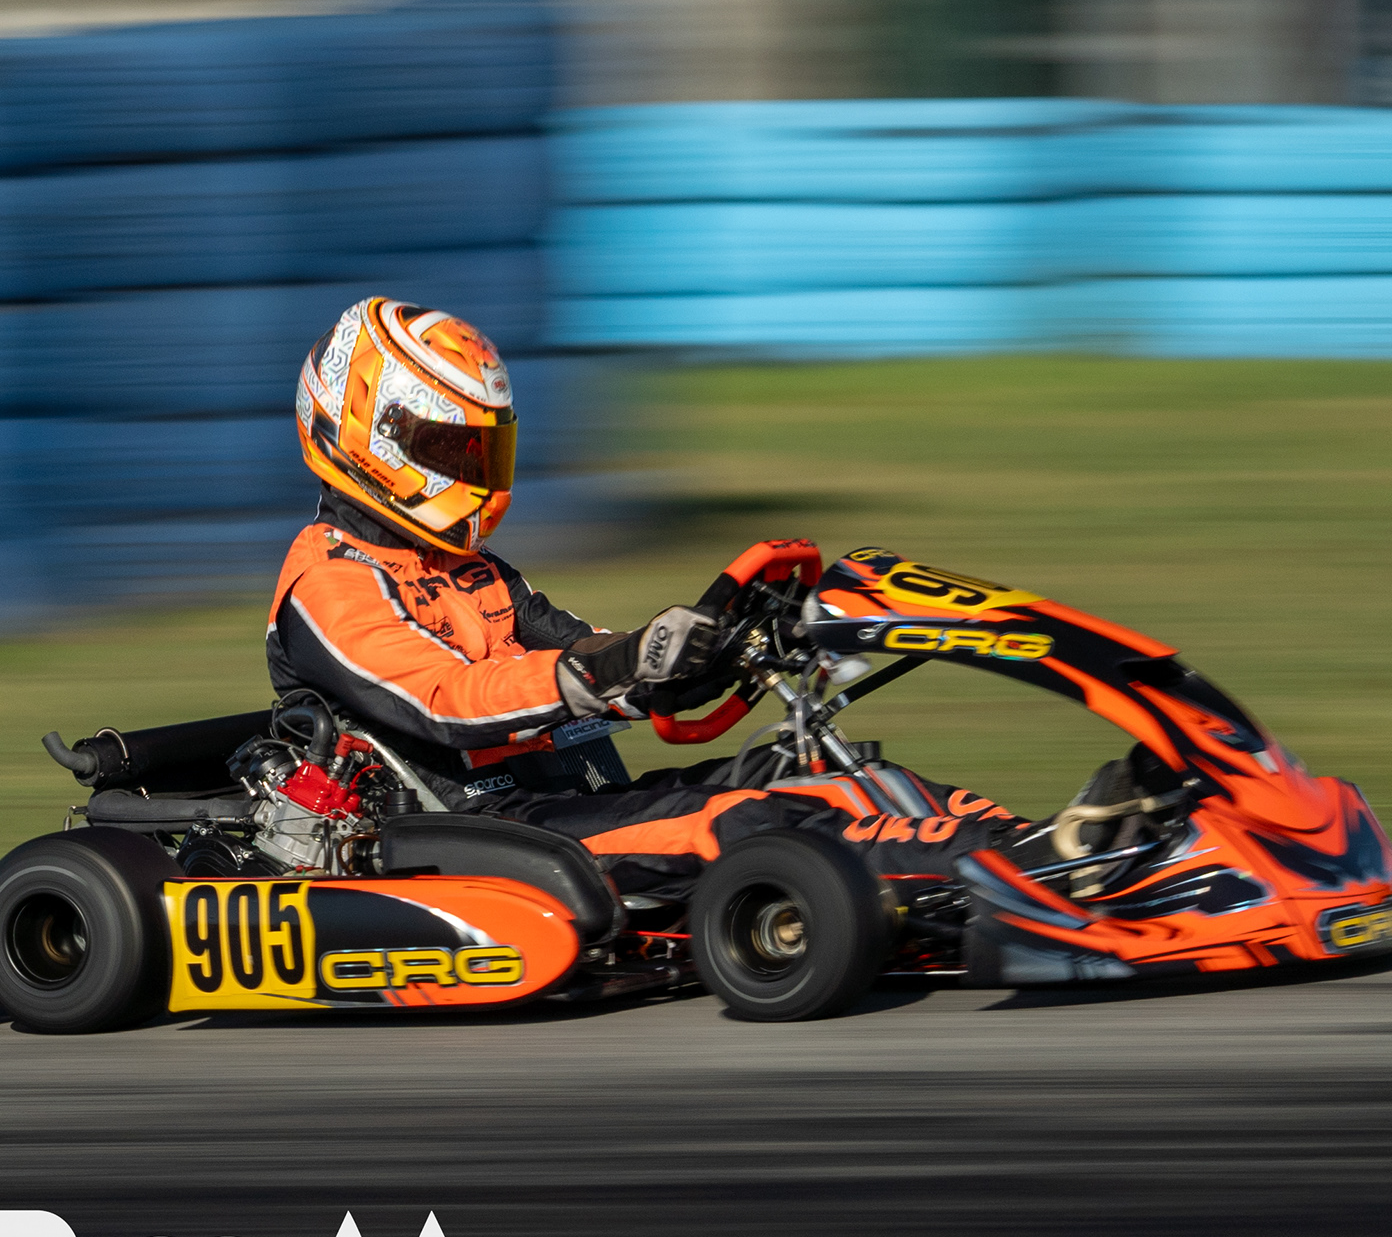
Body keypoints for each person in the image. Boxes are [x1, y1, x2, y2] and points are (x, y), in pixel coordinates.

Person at [268, 298, 1014, 886]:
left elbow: (586, 653)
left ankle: (1025, 843)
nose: (473, 473)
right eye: (449, 449)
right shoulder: (330, 584)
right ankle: (990, 877)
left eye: (481, 450)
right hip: (478, 834)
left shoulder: (468, 568)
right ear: (366, 434)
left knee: (805, 768)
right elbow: (447, 701)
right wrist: (606, 671)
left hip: (560, 805)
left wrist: (703, 656)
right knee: (747, 823)